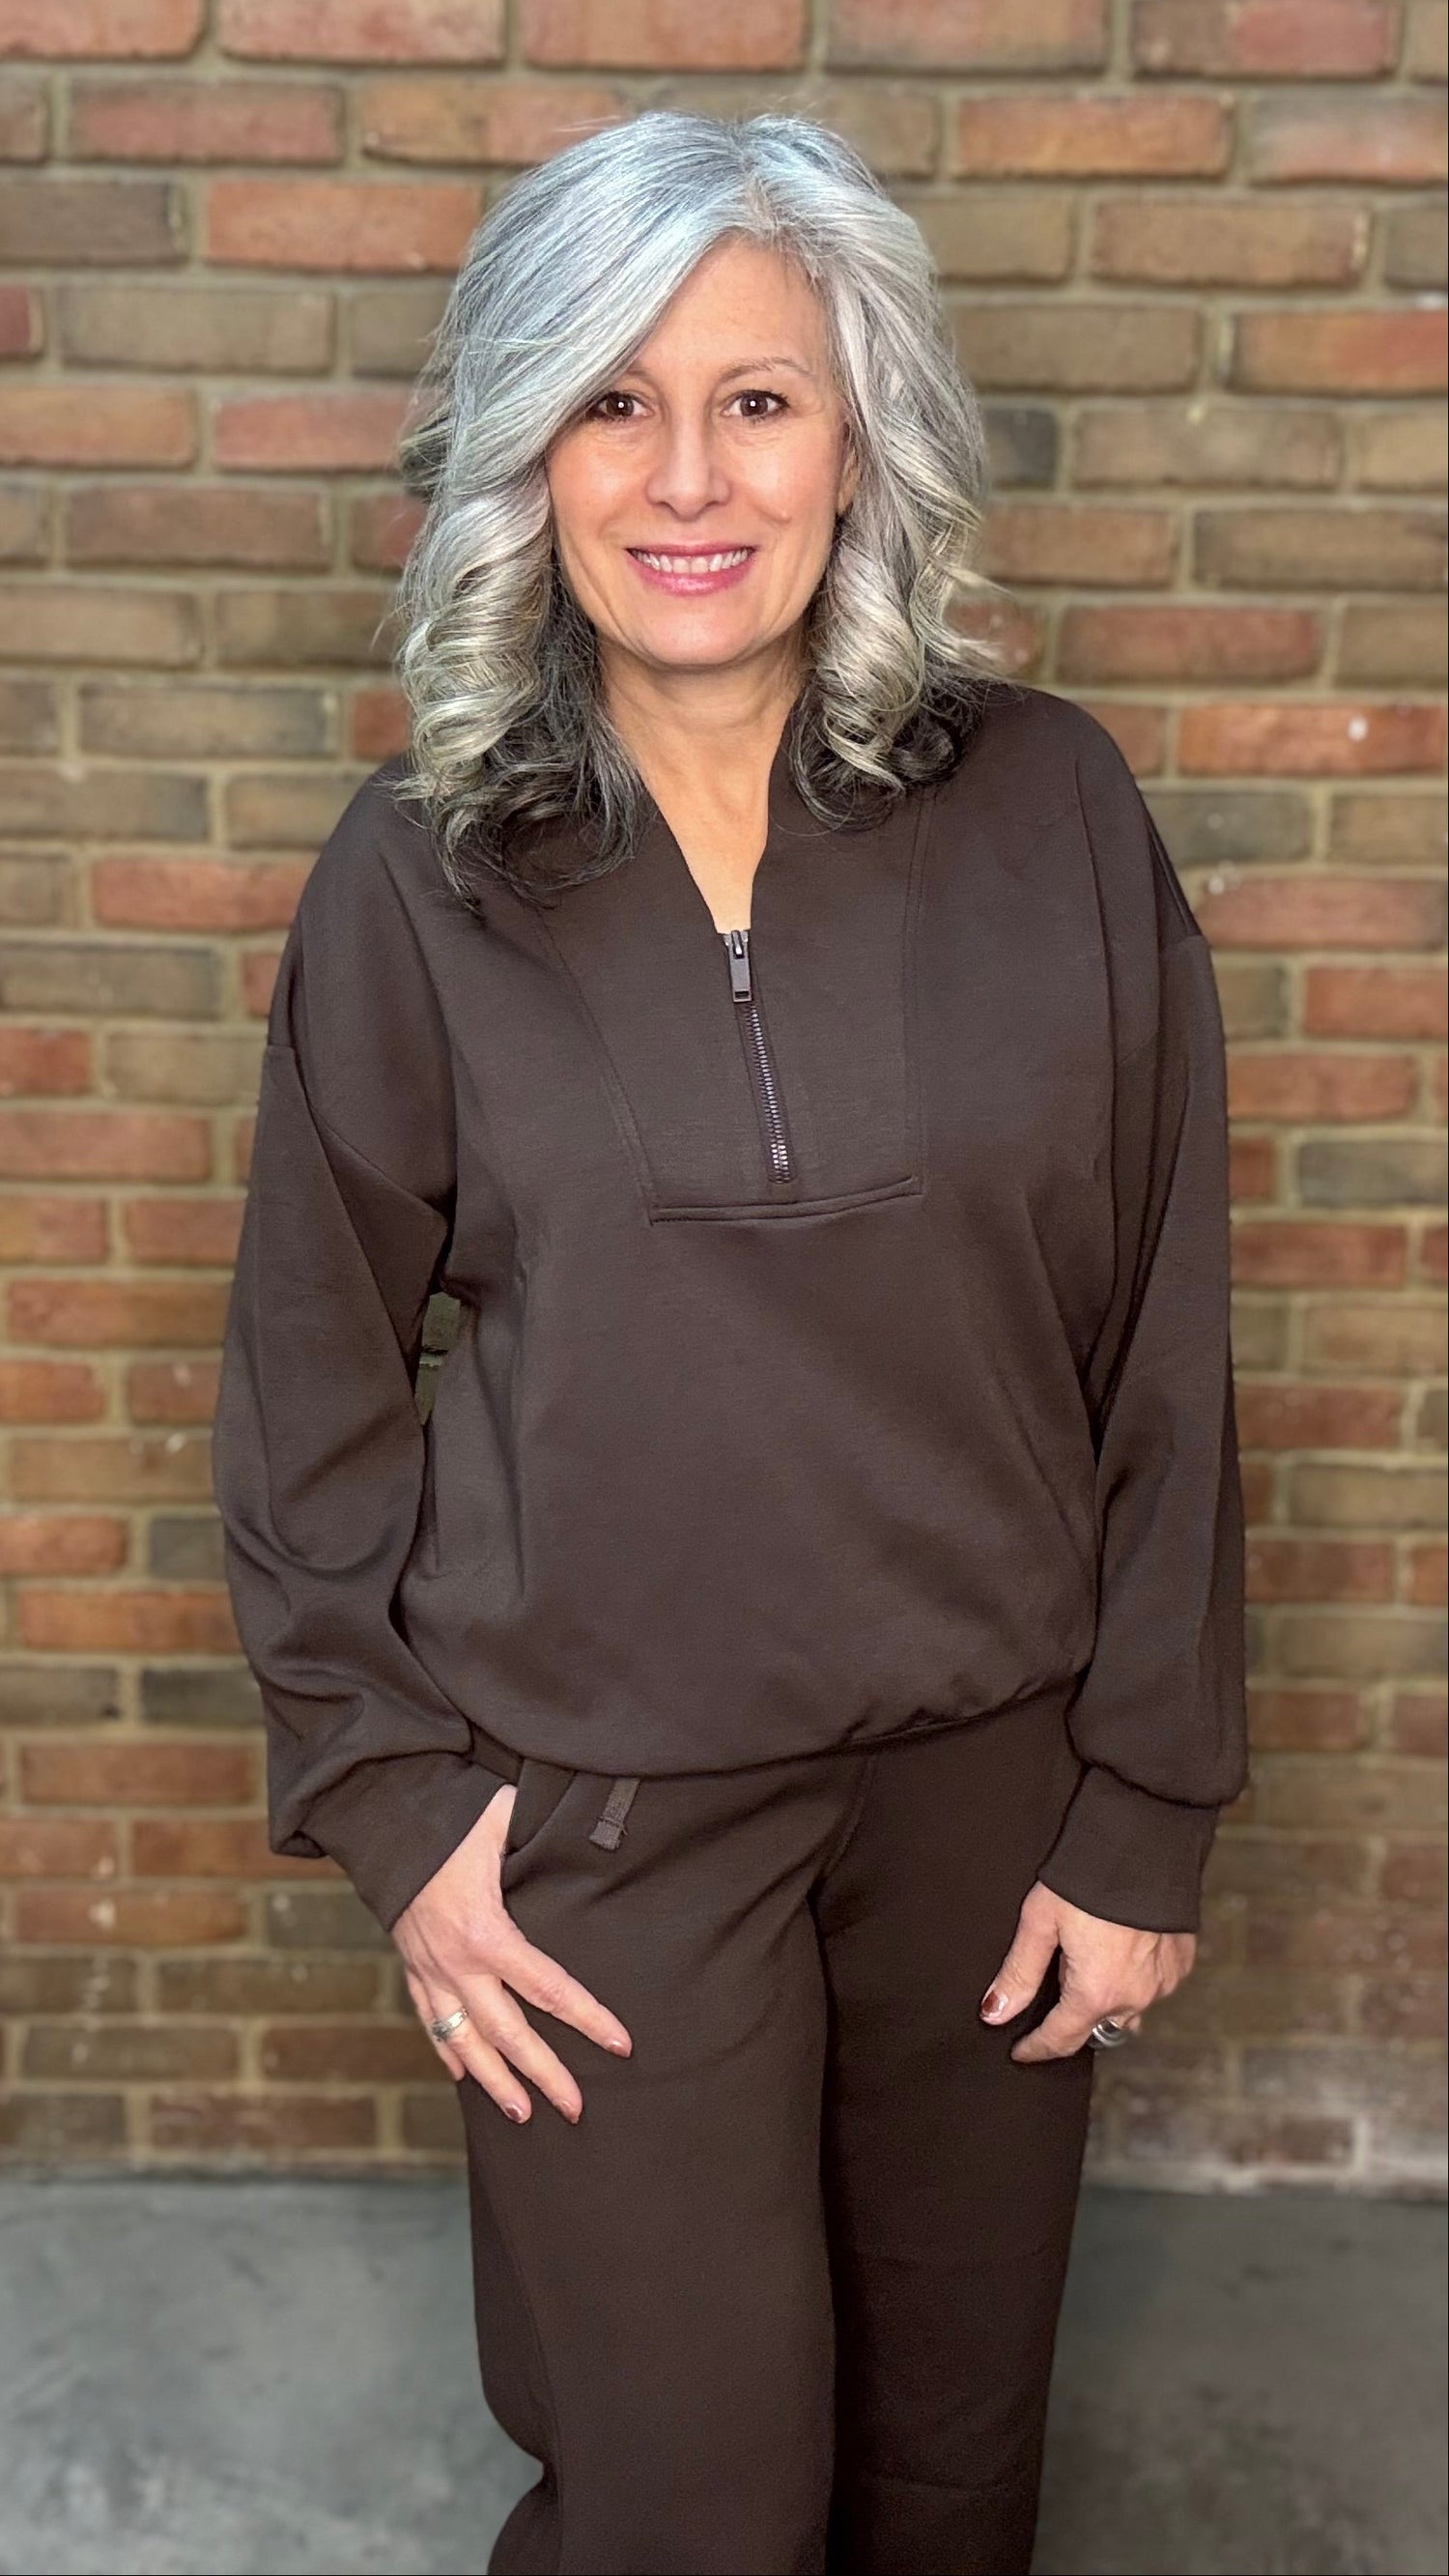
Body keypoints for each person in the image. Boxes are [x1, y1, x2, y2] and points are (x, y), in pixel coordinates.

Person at [213, 109, 1248, 2576]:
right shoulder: (421, 875)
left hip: (995, 1814)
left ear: (857, 438)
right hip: (601, 1829)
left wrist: (1144, 1803)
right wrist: (393, 1801)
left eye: (758, 400)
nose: (689, 477)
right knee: (691, 2503)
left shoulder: (1055, 811)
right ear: (526, 454)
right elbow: (312, 1380)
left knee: (947, 2484)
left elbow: (1167, 1340)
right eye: (613, 401)